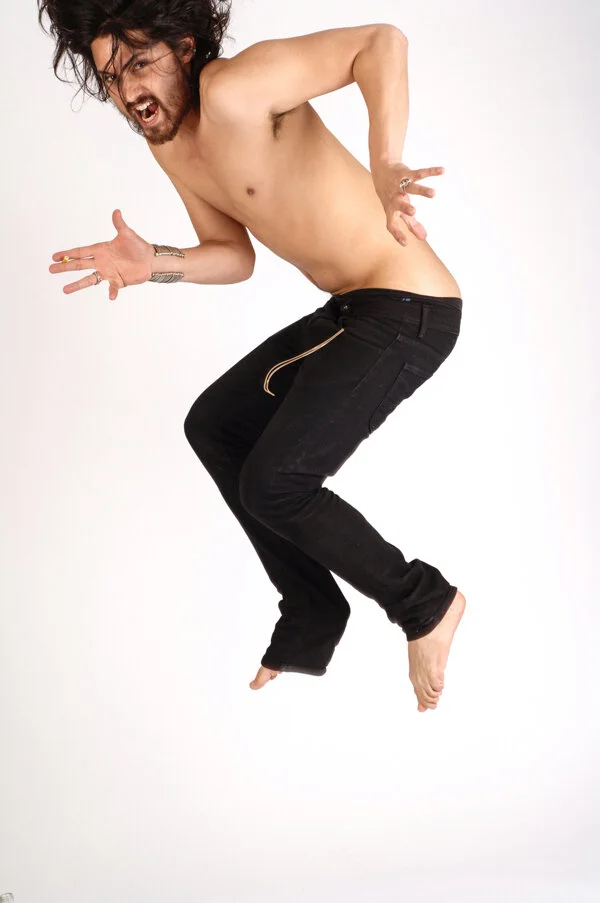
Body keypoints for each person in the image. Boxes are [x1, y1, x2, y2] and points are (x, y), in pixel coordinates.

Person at [39, 0, 466, 712]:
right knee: (216, 425)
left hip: (408, 308)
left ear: (183, 48)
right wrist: (155, 264)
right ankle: (313, 611)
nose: (128, 90)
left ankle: (425, 602)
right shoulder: (170, 146)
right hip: (354, 310)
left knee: (277, 482)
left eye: (139, 64)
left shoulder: (235, 87)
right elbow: (233, 255)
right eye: (110, 77)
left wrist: (386, 163)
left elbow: (379, 42)